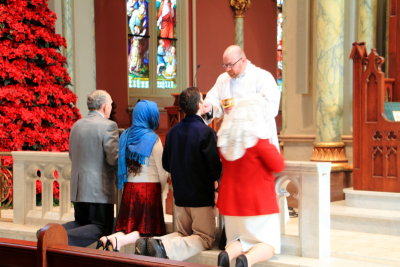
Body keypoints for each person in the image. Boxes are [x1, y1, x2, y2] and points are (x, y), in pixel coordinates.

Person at [135, 87, 222, 261]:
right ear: (199, 104)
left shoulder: (173, 131)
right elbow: (214, 169)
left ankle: (152, 242)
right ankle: (164, 246)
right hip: (200, 198)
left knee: (182, 234)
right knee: (205, 238)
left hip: (180, 198)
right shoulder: (207, 132)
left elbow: (166, 164)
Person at [216, 98, 285, 267]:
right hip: (257, 203)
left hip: (231, 203)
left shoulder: (225, 142)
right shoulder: (257, 141)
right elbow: (278, 165)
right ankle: (246, 260)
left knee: (239, 239)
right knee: (269, 244)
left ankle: (227, 254)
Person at [96, 100, 168, 252]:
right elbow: (162, 170)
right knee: (147, 231)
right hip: (149, 190)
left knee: (129, 226)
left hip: (130, 188)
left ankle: (110, 238)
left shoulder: (126, 135)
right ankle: (118, 243)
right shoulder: (153, 139)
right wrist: (163, 188)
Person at [62, 90, 119, 247]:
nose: (111, 107)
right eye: (111, 104)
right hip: (98, 191)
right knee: (102, 228)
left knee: (81, 224)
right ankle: (58, 238)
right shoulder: (108, 126)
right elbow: (113, 159)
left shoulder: (76, 125)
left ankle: (51, 232)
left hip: (79, 189)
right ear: (104, 106)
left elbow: (72, 155)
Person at [203, 44, 281, 150]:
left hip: (257, 142)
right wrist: (210, 108)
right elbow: (214, 99)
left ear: (243, 60)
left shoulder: (263, 77)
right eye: (225, 65)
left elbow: (271, 108)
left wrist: (239, 109)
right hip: (233, 145)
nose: (227, 69)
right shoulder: (223, 80)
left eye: (231, 65)